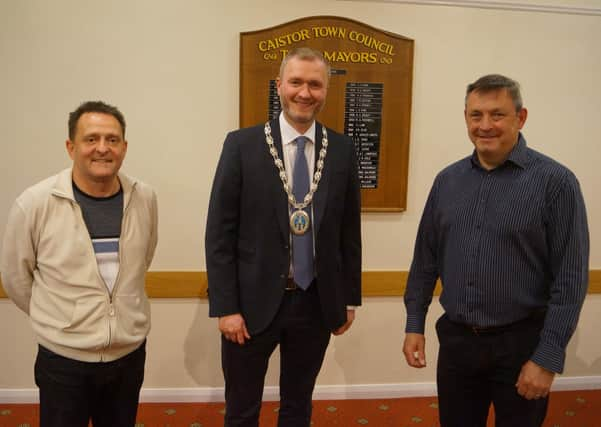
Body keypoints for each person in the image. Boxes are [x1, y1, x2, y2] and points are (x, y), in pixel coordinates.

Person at [402, 74, 589, 427]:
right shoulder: (447, 181)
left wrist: (547, 357)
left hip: (521, 346)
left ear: (521, 117)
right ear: (466, 118)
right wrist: (415, 324)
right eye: (476, 115)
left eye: (497, 114)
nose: (485, 125)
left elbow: (571, 278)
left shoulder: (556, 183)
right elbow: (425, 260)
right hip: (458, 344)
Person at [205, 47, 362, 427]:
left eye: (314, 84)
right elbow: (219, 233)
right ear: (279, 86)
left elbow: (348, 233)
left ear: (326, 90)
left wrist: (348, 298)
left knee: (297, 407)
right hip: (250, 305)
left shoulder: (340, 150)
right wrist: (226, 307)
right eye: (296, 82)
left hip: (314, 302)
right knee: (242, 410)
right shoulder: (242, 146)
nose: (304, 93)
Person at [1, 101, 158, 427]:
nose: (103, 148)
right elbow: (16, 277)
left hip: (127, 356)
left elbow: (142, 260)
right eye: (91, 139)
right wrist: (59, 317)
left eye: (112, 139)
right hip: (63, 360)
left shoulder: (145, 198)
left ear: (124, 147)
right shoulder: (34, 203)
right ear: (71, 147)